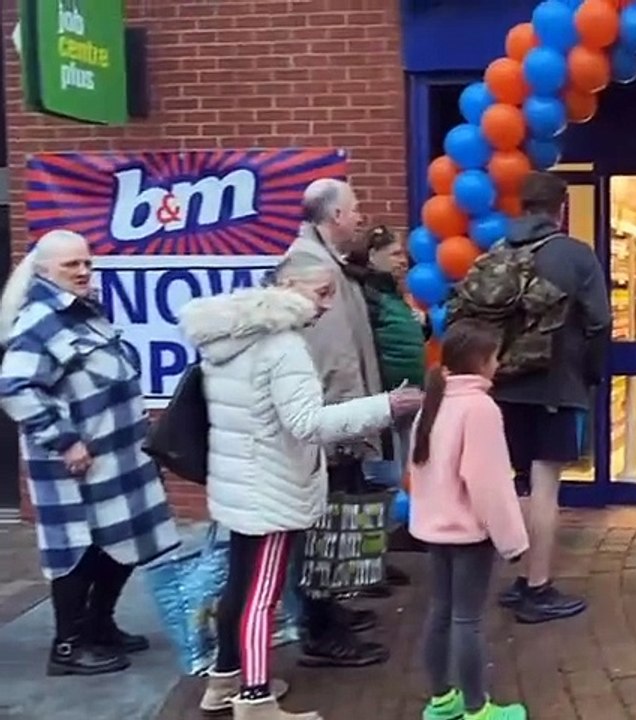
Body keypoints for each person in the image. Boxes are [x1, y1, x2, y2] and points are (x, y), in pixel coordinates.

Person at [180, 256, 423, 720]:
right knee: (261, 595)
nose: (328, 306)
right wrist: (385, 407)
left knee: (241, 586)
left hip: (241, 482)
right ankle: (255, 699)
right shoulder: (284, 346)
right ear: (288, 286)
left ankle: (224, 680)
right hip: (272, 487)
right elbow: (307, 424)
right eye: (322, 293)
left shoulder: (232, 336)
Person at [0, 230, 180, 676]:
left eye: (86, 263)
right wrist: (64, 439)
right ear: (43, 270)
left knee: (119, 544)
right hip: (76, 465)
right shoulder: (40, 321)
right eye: (70, 266)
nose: (82, 271)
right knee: (76, 551)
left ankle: (99, 625)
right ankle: (68, 646)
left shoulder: (83, 313)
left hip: (117, 459)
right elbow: (15, 386)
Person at [493, 172, 609, 624]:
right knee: (546, 486)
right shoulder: (575, 255)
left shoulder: (499, 251)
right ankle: (537, 587)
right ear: (560, 208)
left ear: (520, 206)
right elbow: (598, 321)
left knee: (521, 482)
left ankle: (522, 575)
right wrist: (591, 374)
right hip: (556, 385)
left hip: (505, 384)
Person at [281, 178, 388, 666]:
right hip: (329, 425)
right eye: (354, 209)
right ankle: (320, 631)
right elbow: (332, 355)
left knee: (333, 522)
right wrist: (348, 428)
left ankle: (329, 615)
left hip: (336, 417)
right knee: (323, 528)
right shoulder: (310, 265)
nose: (360, 217)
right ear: (333, 217)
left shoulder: (326, 263)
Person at [410, 320, 529, 720]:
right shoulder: (480, 408)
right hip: (468, 532)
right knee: (468, 619)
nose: (498, 364)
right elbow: (489, 482)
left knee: (440, 611)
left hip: (434, 528)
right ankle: (479, 709)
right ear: (481, 361)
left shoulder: (434, 401)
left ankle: (441, 699)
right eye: (495, 356)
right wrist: (512, 540)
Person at [344, 225, 429, 586]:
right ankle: (364, 565)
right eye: (395, 253)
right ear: (373, 253)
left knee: (392, 480)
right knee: (380, 480)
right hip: (381, 400)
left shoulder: (388, 293)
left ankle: (374, 559)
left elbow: (399, 337)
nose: (402, 261)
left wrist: (419, 327)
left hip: (402, 398)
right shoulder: (363, 295)